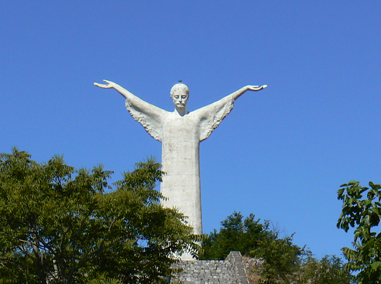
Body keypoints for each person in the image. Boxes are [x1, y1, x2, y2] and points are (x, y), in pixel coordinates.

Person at [95, 80, 267, 234]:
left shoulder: (195, 118)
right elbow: (139, 103)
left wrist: (243, 89)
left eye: (183, 97)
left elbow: (219, 104)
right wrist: (116, 87)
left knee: (192, 218)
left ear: (188, 97)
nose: (180, 100)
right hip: (169, 177)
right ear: (171, 98)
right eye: (176, 97)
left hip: (191, 177)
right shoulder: (164, 118)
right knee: (167, 210)